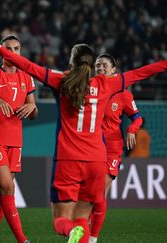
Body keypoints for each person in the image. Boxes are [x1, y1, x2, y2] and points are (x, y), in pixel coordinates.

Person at [0, 28, 167, 243]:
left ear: (71, 61)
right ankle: (82, 234)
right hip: (96, 160)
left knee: (61, 219)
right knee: (82, 218)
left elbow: (27, 66)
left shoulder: (61, 80)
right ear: (91, 64)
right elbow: (142, 72)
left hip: (68, 160)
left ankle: (70, 233)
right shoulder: (107, 83)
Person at [0, 35, 37, 243]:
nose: (13, 52)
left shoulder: (26, 77)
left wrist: (33, 106)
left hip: (16, 141)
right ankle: (22, 239)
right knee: (8, 187)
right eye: (8, 48)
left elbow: (33, 112)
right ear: (1, 52)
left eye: (16, 48)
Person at [89, 54, 144, 243]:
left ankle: (92, 237)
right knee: (88, 192)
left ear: (114, 70)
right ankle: (80, 229)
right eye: (97, 65)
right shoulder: (89, 88)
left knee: (99, 191)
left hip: (112, 147)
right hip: (90, 145)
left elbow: (137, 118)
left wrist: (132, 129)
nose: (101, 68)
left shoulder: (124, 94)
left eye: (104, 65)